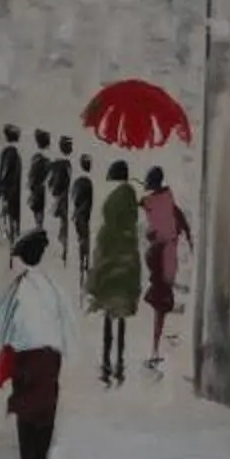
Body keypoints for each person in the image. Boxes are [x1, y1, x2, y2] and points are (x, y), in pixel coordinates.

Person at [0, 228, 71, 459]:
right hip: (49, 361)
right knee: (46, 414)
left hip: (25, 362)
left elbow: (0, 330)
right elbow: (67, 327)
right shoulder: (52, 289)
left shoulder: (17, 290)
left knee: (26, 418)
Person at [89, 159, 142, 387]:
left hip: (111, 273)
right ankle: (119, 366)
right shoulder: (130, 231)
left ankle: (106, 366)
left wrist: (93, 281)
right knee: (121, 321)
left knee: (109, 320)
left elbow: (100, 257)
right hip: (126, 272)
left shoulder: (107, 232)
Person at [139, 164, 194, 371]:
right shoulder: (169, 203)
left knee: (160, 306)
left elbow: (151, 230)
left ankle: (155, 349)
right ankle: (155, 347)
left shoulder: (151, 202)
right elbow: (182, 224)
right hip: (167, 260)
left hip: (158, 259)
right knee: (161, 305)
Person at [70, 152, 96, 286]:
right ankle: (84, 265)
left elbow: (74, 198)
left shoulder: (77, 181)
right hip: (83, 216)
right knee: (85, 239)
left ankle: (83, 265)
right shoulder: (88, 182)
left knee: (82, 239)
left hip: (78, 215)